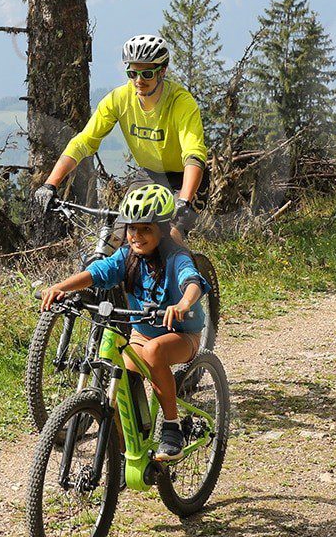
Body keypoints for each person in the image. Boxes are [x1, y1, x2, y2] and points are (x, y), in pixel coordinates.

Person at [39, 184, 210, 460]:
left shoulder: (175, 257)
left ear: (162, 230)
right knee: (119, 391)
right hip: (141, 337)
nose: (136, 236)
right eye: (132, 229)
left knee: (156, 353)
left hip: (181, 336)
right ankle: (123, 454)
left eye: (145, 229)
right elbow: (96, 272)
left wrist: (183, 304)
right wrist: (62, 287)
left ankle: (171, 427)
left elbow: (192, 282)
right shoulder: (127, 256)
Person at [33, 34, 208, 237]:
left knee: (169, 236)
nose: (139, 81)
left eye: (147, 74)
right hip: (150, 175)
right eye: (132, 74)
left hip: (185, 178)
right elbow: (83, 142)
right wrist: (50, 184)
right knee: (118, 237)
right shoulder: (118, 99)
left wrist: (184, 200)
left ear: (162, 72)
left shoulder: (181, 102)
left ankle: (187, 268)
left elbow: (194, 154)